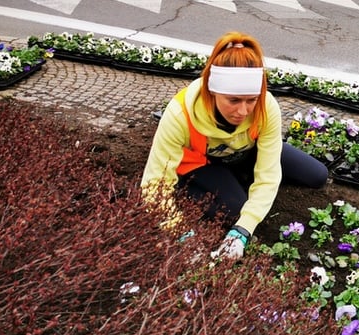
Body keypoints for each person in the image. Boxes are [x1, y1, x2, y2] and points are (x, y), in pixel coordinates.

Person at [141, 31, 329, 259]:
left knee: (317, 175)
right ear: (212, 92)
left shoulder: (267, 107)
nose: (243, 111)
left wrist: (242, 231)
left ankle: (237, 176)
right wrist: (180, 232)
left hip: (244, 154)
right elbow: (153, 187)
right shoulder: (180, 113)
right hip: (203, 163)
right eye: (233, 101)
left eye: (251, 100)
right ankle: (189, 187)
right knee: (234, 209)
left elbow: (268, 176)